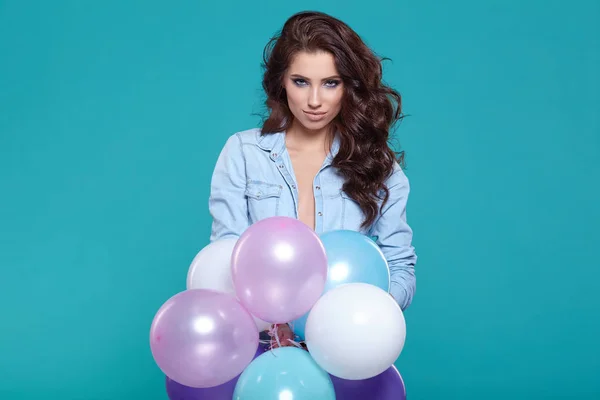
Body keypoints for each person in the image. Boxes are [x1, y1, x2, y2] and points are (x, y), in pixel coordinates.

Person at [208, 11, 417, 348]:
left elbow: (400, 267)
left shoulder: (378, 165)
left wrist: (351, 317)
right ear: (281, 83)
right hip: (260, 352)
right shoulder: (243, 153)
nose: (315, 101)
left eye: (331, 83)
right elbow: (226, 257)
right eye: (301, 81)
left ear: (349, 86)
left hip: (347, 350)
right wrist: (275, 323)